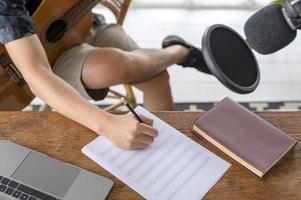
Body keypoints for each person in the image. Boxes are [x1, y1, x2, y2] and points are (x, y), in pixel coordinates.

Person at [1, 0, 206, 150]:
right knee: (113, 66)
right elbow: (36, 73)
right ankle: (181, 52)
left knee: (157, 78)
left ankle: (169, 153)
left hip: (80, 21)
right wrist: (107, 125)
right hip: (35, 61)